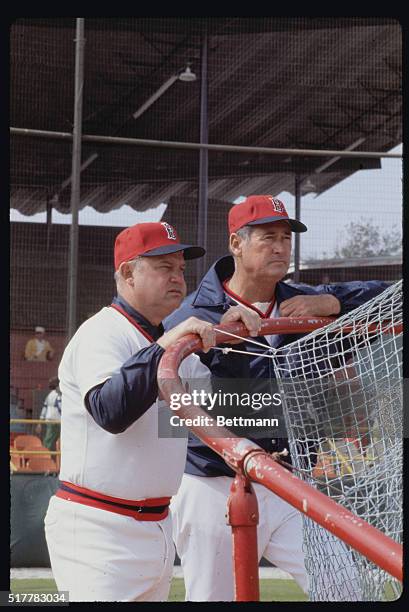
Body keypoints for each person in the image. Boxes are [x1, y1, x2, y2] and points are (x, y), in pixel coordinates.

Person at [164, 195, 390, 602]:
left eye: (286, 238)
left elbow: (392, 297)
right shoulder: (192, 315)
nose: (281, 248)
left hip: (288, 481)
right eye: (268, 237)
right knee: (213, 599)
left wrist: (335, 302)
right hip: (212, 484)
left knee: (345, 589)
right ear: (236, 243)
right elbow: (169, 406)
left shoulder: (303, 303)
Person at [44, 221, 259, 602]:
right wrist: (165, 345)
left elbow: (217, 410)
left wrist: (229, 344)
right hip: (98, 525)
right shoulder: (102, 331)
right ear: (128, 272)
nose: (178, 276)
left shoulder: (173, 341)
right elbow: (110, 411)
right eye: (164, 267)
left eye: (180, 268)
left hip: (158, 525)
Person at [37, 376, 62, 451]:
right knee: (49, 440)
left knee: (51, 440)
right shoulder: (58, 395)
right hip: (55, 420)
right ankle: (44, 455)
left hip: (52, 419)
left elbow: (44, 408)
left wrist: (40, 422)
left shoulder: (50, 394)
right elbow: (60, 407)